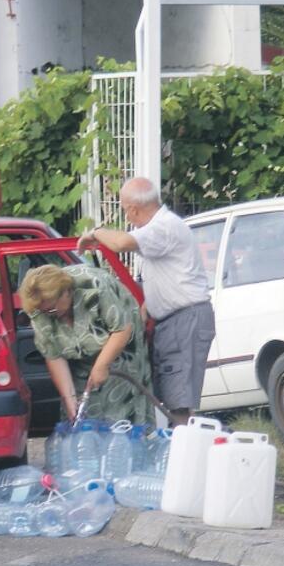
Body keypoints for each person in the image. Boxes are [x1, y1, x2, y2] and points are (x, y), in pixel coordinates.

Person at [76, 177, 214, 424]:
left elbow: (120, 243)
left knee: (178, 402)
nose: (127, 217)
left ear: (133, 209)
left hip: (184, 320)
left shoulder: (164, 227)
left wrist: (95, 233)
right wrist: (142, 316)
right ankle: (175, 441)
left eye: (125, 211)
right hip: (174, 320)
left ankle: (181, 444)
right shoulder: (161, 230)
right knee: (169, 397)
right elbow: (164, 280)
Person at [19, 263, 155, 426]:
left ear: (66, 292)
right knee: (80, 412)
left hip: (122, 350)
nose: (49, 315)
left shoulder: (95, 287)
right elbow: (53, 354)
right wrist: (69, 397)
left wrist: (101, 366)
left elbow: (122, 330)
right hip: (80, 362)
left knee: (121, 411)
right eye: (44, 312)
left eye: (52, 310)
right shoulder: (40, 310)